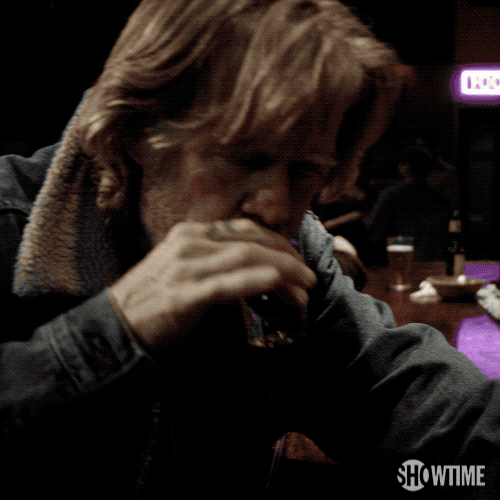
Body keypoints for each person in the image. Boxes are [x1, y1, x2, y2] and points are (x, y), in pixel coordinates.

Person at [1, 1, 499, 499]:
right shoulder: (9, 224)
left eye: (304, 171)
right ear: (135, 131)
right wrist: (113, 331)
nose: (277, 207)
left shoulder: (295, 253)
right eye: (243, 159)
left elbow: (426, 411)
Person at [366, 146, 452, 265]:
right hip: (437, 264)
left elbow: (373, 231)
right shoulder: (442, 200)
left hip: (401, 263)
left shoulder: (393, 194)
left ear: (403, 167)